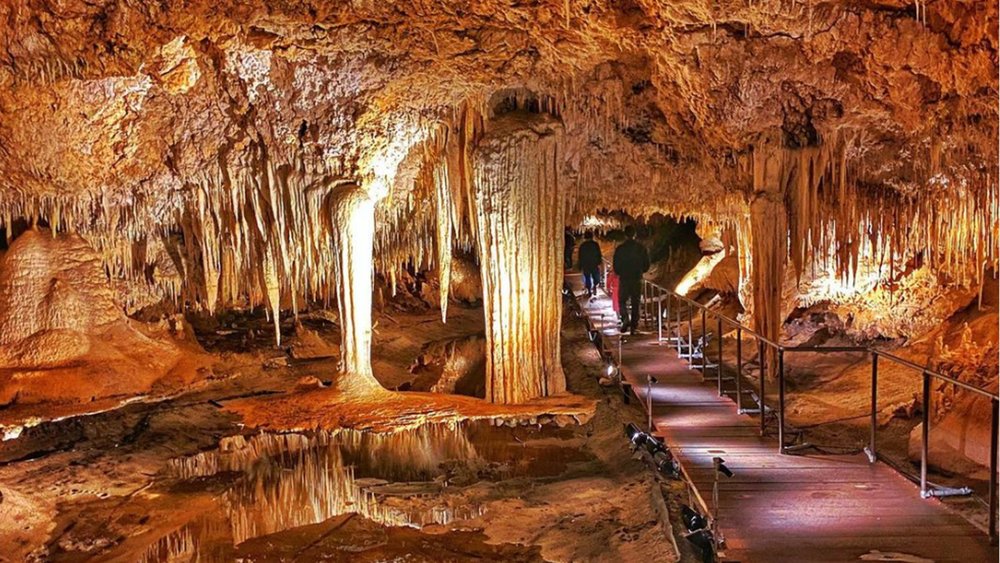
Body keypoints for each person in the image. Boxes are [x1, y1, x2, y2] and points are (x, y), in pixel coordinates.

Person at [612, 225, 650, 335]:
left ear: (625, 235)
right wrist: (641, 271)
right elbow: (646, 264)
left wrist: (620, 272)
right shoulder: (641, 248)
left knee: (622, 301)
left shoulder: (620, 249)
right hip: (636, 278)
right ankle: (634, 325)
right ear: (635, 235)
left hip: (624, 278)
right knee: (635, 302)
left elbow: (616, 264)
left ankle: (625, 318)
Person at [578, 231, 603, 299]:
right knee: (596, 277)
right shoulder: (595, 244)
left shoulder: (583, 245)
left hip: (586, 264)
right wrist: (599, 262)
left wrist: (580, 265)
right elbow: (599, 254)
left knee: (587, 277)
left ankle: (589, 290)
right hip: (594, 263)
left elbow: (580, 256)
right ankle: (594, 286)